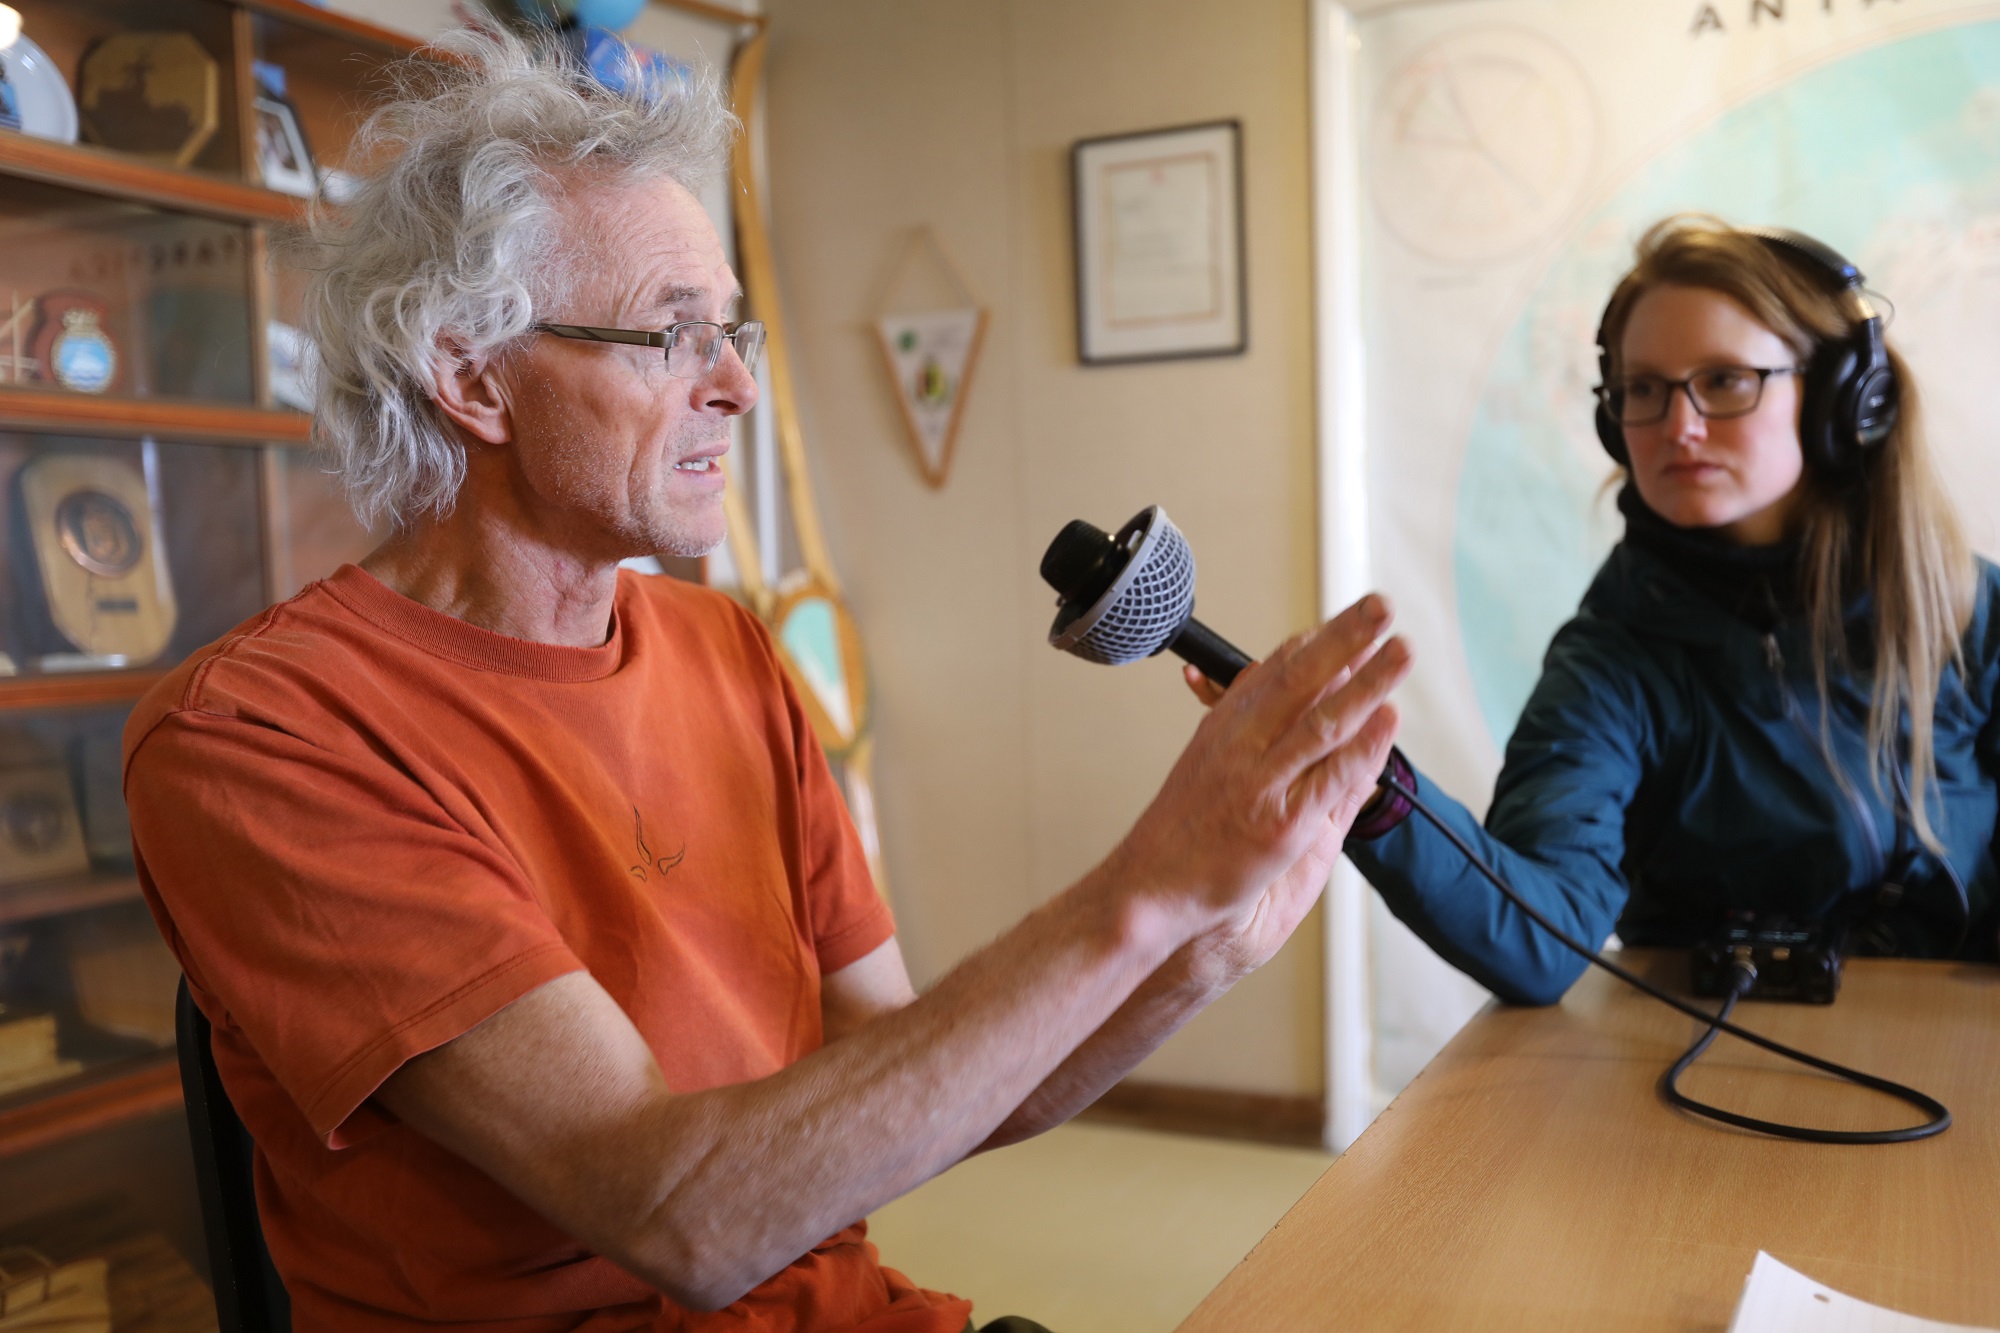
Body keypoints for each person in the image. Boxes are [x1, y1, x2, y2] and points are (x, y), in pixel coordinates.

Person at [121, 28, 1409, 1333]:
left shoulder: (728, 654)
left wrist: (1210, 942)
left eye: (732, 331)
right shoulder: (260, 733)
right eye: (675, 336)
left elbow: (916, 1090)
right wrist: (1147, 886)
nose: (735, 384)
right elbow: (676, 1214)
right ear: (469, 377)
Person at [1296, 216, 1999, 1005]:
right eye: (1644, 390)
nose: (1679, 428)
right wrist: (1374, 791)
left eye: (1726, 379)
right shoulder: (1611, 662)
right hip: (1733, 1064)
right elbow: (1545, 935)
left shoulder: (1969, 608)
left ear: (1843, 397)